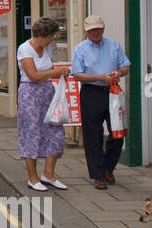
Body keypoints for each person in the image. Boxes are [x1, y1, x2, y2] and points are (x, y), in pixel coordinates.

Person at [70, 14, 130, 190]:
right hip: (91, 92)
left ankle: (107, 167)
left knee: (118, 133)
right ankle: (98, 175)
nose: (95, 32)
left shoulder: (114, 45)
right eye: (91, 30)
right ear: (86, 31)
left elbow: (125, 66)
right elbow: (77, 75)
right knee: (93, 135)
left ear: (103, 29)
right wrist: (98, 77)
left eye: (98, 29)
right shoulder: (80, 49)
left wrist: (119, 73)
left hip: (112, 93)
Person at [17, 18, 70, 191]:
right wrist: (56, 72)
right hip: (29, 94)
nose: (53, 40)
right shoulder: (24, 49)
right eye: (51, 36)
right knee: (32, 133)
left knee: (55, 131)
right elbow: (33, 75)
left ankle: (48, 174)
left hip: (47, 92)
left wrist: (60, 74)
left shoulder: (46, 48)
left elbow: (47, 71)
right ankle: (32, 178)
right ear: (43, 36)